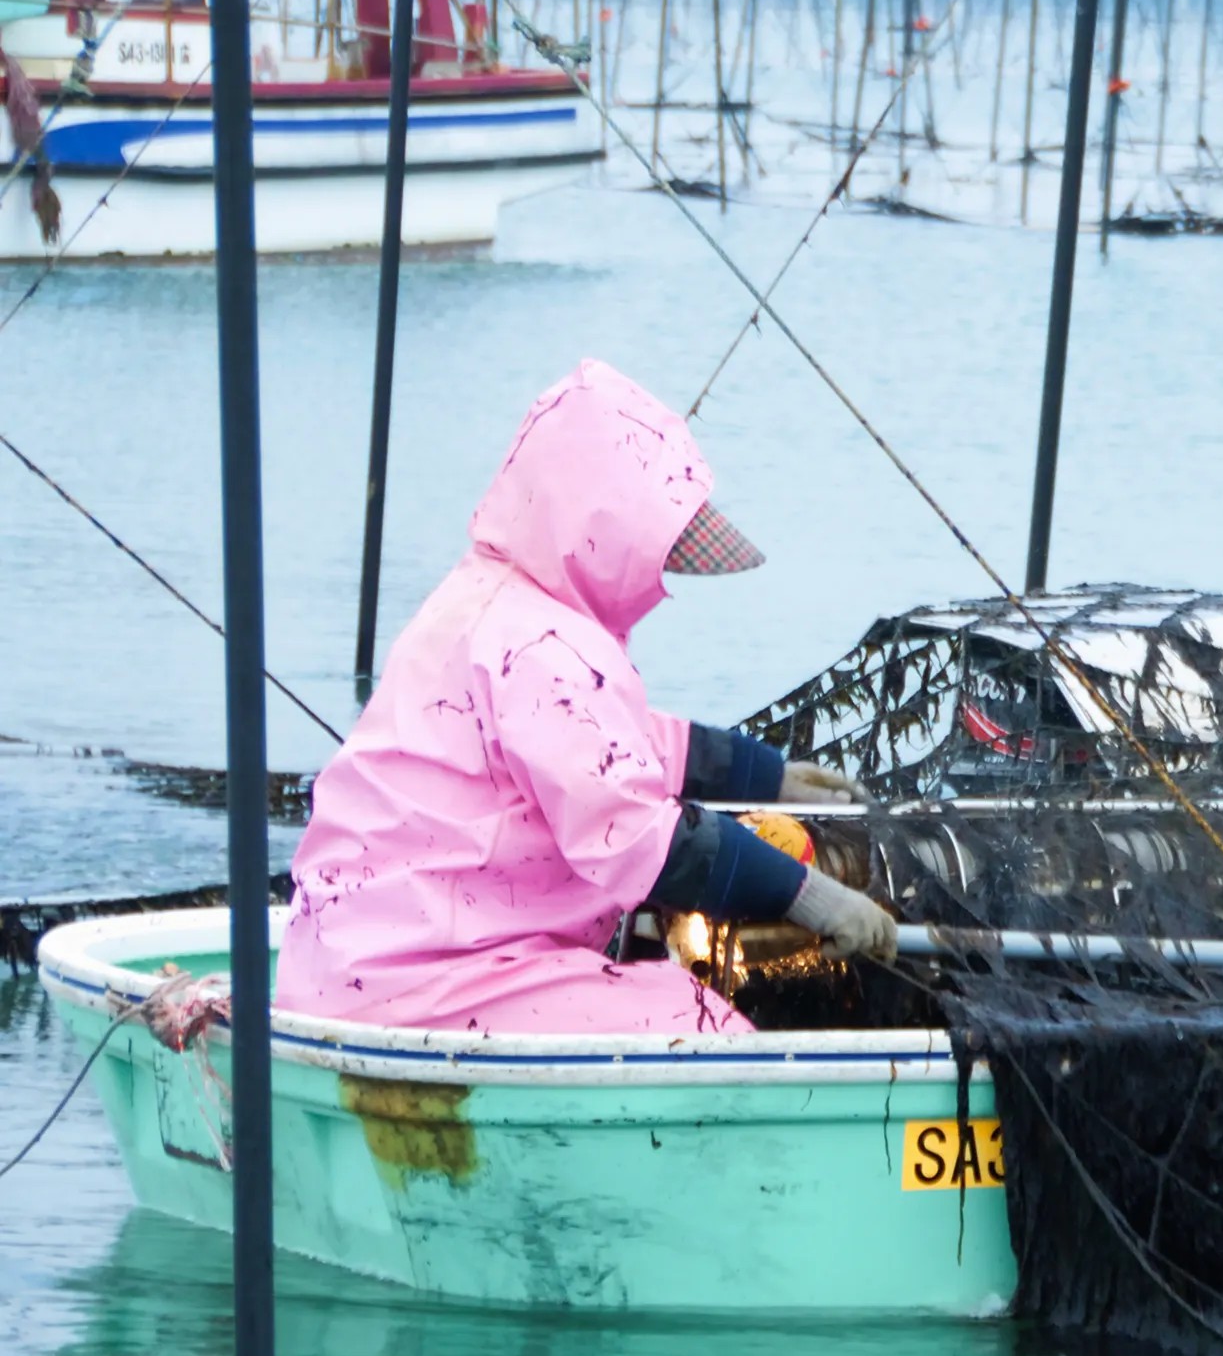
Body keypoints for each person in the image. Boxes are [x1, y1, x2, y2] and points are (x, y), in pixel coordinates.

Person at [276, 359, 896, 1035]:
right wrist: (811, 897)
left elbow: (610, 744)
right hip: (423, 980)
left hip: (345, 958)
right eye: (660, 547)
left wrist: (769, 776)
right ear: (607, 530)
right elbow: (631, 834)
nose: (663, 576)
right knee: (701, 1028)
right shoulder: (542, 643)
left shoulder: (483, 597)